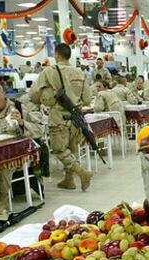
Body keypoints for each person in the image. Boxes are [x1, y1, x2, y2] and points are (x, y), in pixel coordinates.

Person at [0, 82, 43, 218]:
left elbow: (39, 129)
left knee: (4, 165)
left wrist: (22, 122)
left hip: (13, 155)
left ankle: (2, 198)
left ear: (4, 94)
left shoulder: (18, 108)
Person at [29, 43, 93, 191]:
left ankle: (82, 173)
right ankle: (68, 180)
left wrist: (45, 97)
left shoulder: (49, 71)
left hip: (58, 116)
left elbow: (33, 94)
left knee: (59, 149)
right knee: (72, 148)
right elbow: (88, 99)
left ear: (57, 55)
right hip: (76, 117)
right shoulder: (79, 72)